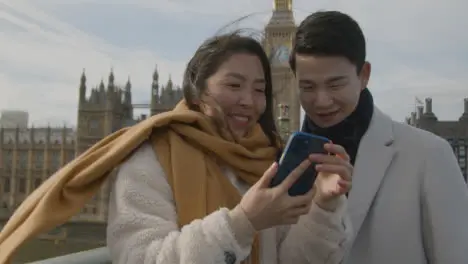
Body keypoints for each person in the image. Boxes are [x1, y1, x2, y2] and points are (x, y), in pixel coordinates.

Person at [105, 33, 353, 264]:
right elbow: (139, 258)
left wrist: (323, 205)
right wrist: (242, 224)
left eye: (259, 90)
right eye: (234, 86)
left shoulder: (268, 158)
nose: (247, 101)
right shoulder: (150, 159)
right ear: (198, 90)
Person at [289, 10, 468, 264]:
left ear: (364, 75)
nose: (321, 100)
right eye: (307, 87)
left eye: (335, 84)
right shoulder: (285, 163)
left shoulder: (428, 155)